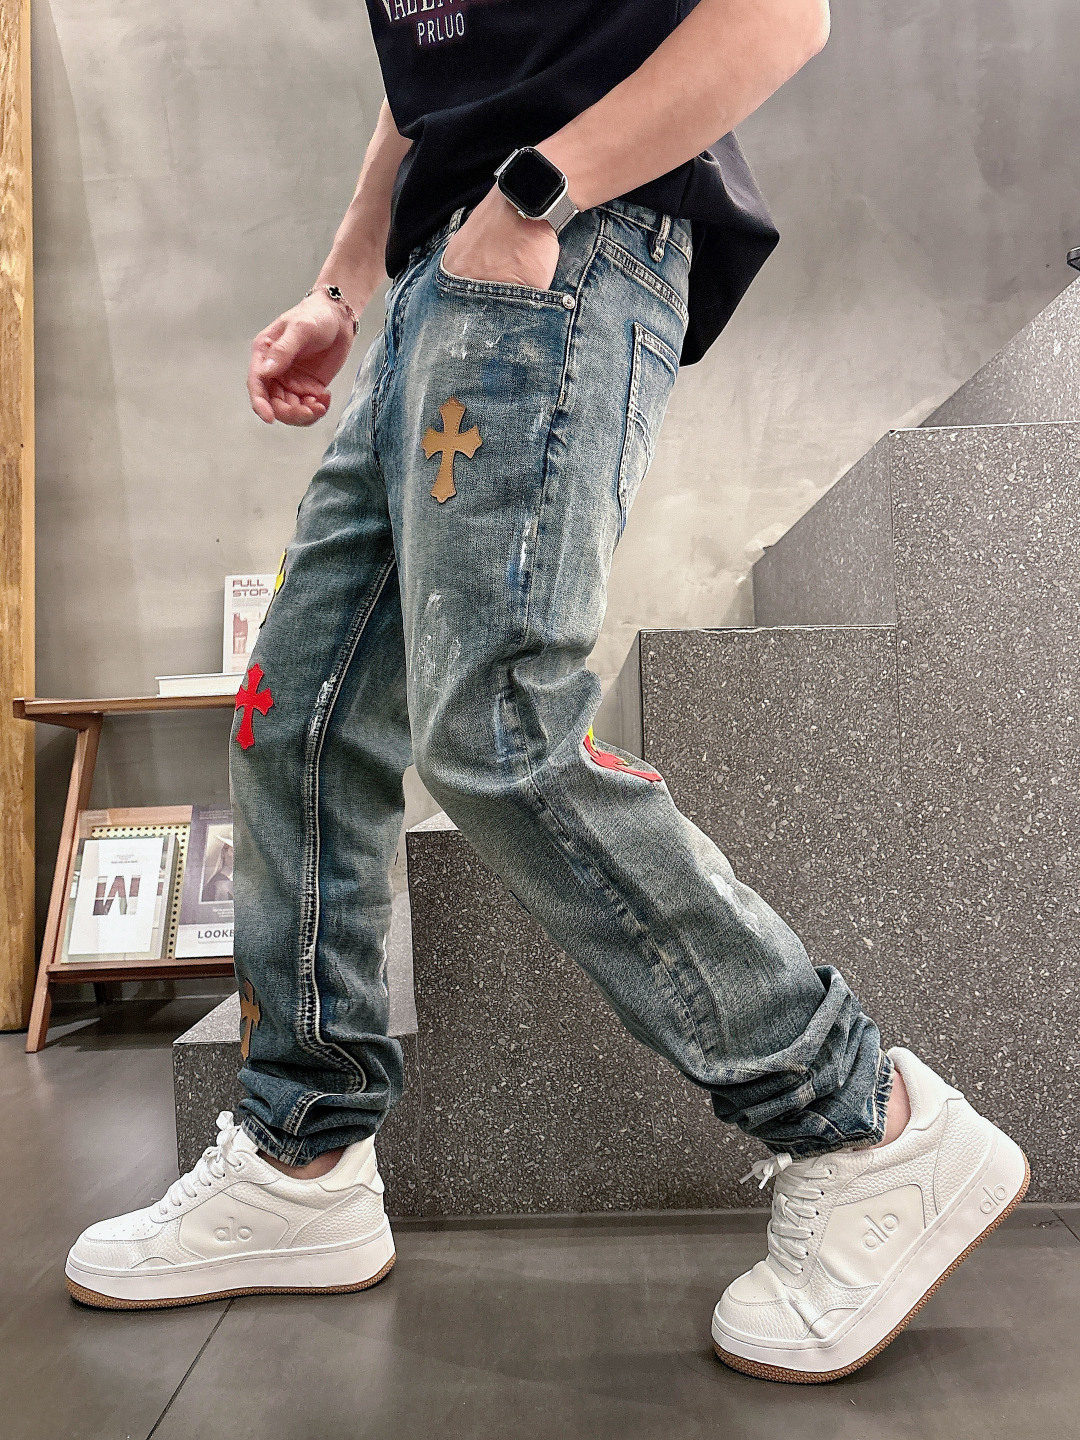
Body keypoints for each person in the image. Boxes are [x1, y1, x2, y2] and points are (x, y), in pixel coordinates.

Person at [65, 0, 1028, 1382]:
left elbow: (780, 14)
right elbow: (426, 70)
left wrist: (537, 193)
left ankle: (861, 1120)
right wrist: (344, 287)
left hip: (566, 243)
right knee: (296, 713)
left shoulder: (546, 204)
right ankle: (300, 1159)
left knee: (498, 729)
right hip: (440, 282)